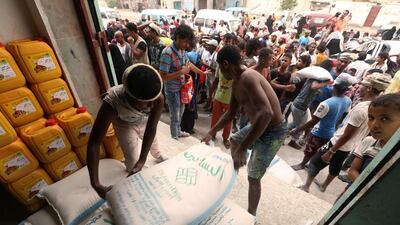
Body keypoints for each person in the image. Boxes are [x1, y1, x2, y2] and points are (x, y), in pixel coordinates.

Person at [202, 45, 287, 216]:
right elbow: (230, 114)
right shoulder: (236, 82)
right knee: (234, 140)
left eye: (219, 66)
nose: (219, 70)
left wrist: (243, 148)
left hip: (273, 130)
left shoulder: (248, 77)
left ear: (225, 64)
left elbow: (267, 113)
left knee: (254, 177)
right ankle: (235, 172)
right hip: (258, 125)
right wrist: (212, 132)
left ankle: (251, 215)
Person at [300, 73, 392, 193]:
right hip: (349, 146)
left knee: (315, 162)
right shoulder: (377, 107)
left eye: (362, 85)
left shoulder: (361, 108)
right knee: (335, 166)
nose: (358, 87)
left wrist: (331, 150)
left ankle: (306, 187)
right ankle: (324, 186)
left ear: (369, 88)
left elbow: (347, 134)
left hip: (338, 143)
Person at [87, 64, 166, 199]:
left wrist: (143, 159)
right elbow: (94, 142)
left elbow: (151, 128)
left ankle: (157, 155)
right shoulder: (112, 102)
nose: (152, 106)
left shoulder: (157, 98)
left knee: (153, 144)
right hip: (124, 124)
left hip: (144, 121)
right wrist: (95, 183)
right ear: (131, 98)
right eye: (147, 103)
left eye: (153, 101)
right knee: (132, 164)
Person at [291, 74, 354, 170]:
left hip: (319, 131)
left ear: (334, 86)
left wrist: (297, 130)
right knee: (319, 150)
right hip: (331, 132)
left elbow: (313, 121)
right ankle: (310, 164)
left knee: (310, 150)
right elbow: (343, 116)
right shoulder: (348, 101)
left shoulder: (326, 104)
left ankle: (302, 164)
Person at [159, 25, 207, 140]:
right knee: (174, 115)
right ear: (177, 37)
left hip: (182, 88)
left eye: (188, 42)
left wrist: (202, 73)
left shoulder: (181, 50)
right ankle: (174, 136)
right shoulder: (167, 52)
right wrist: (181, 72)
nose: (187, 45)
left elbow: (188, 64)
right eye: (185, 41)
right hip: (172, 90)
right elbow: (162, 76)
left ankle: (178, 131)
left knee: (180, 112)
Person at [347, 93, 400, 184]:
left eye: (385, 119)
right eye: (371, 118)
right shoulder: (368, 142)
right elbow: (352, 171)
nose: (374, 125)